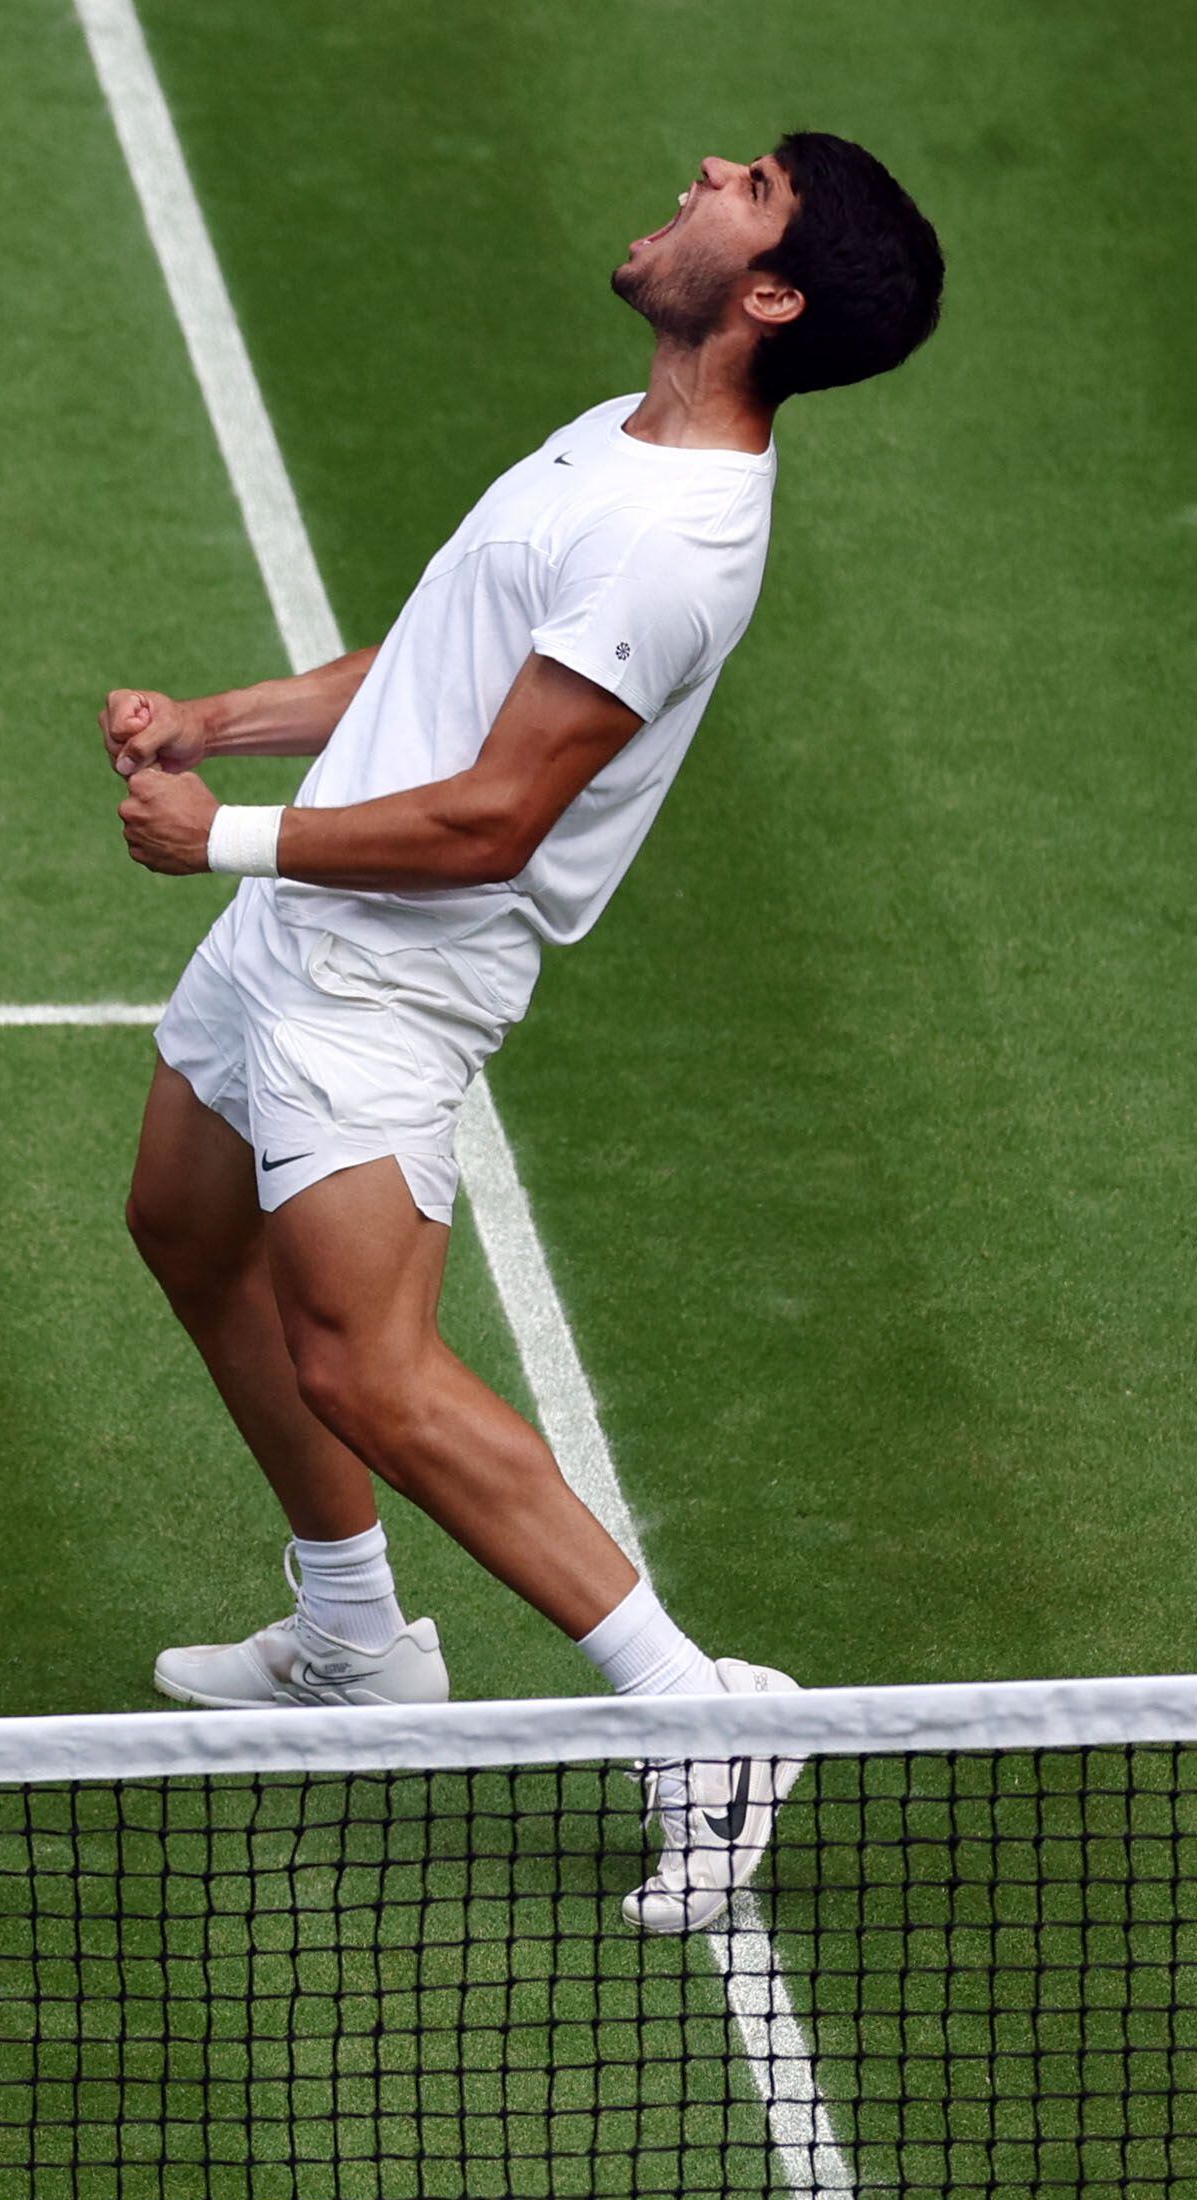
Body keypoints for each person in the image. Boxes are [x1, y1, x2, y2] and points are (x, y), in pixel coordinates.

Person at [100, 137, 943, 1932]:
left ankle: (698, 1715)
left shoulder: (673, 541)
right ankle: (350, 1642)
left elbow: (490, 815)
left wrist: (220, 838)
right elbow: (432, 656)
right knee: (182, 1219)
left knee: (369, 1367)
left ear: (770, 294)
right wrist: (218, 721)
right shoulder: (613, 444)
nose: (716, 169)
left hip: (390, 976)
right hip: (301, 930)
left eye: (760, 187)